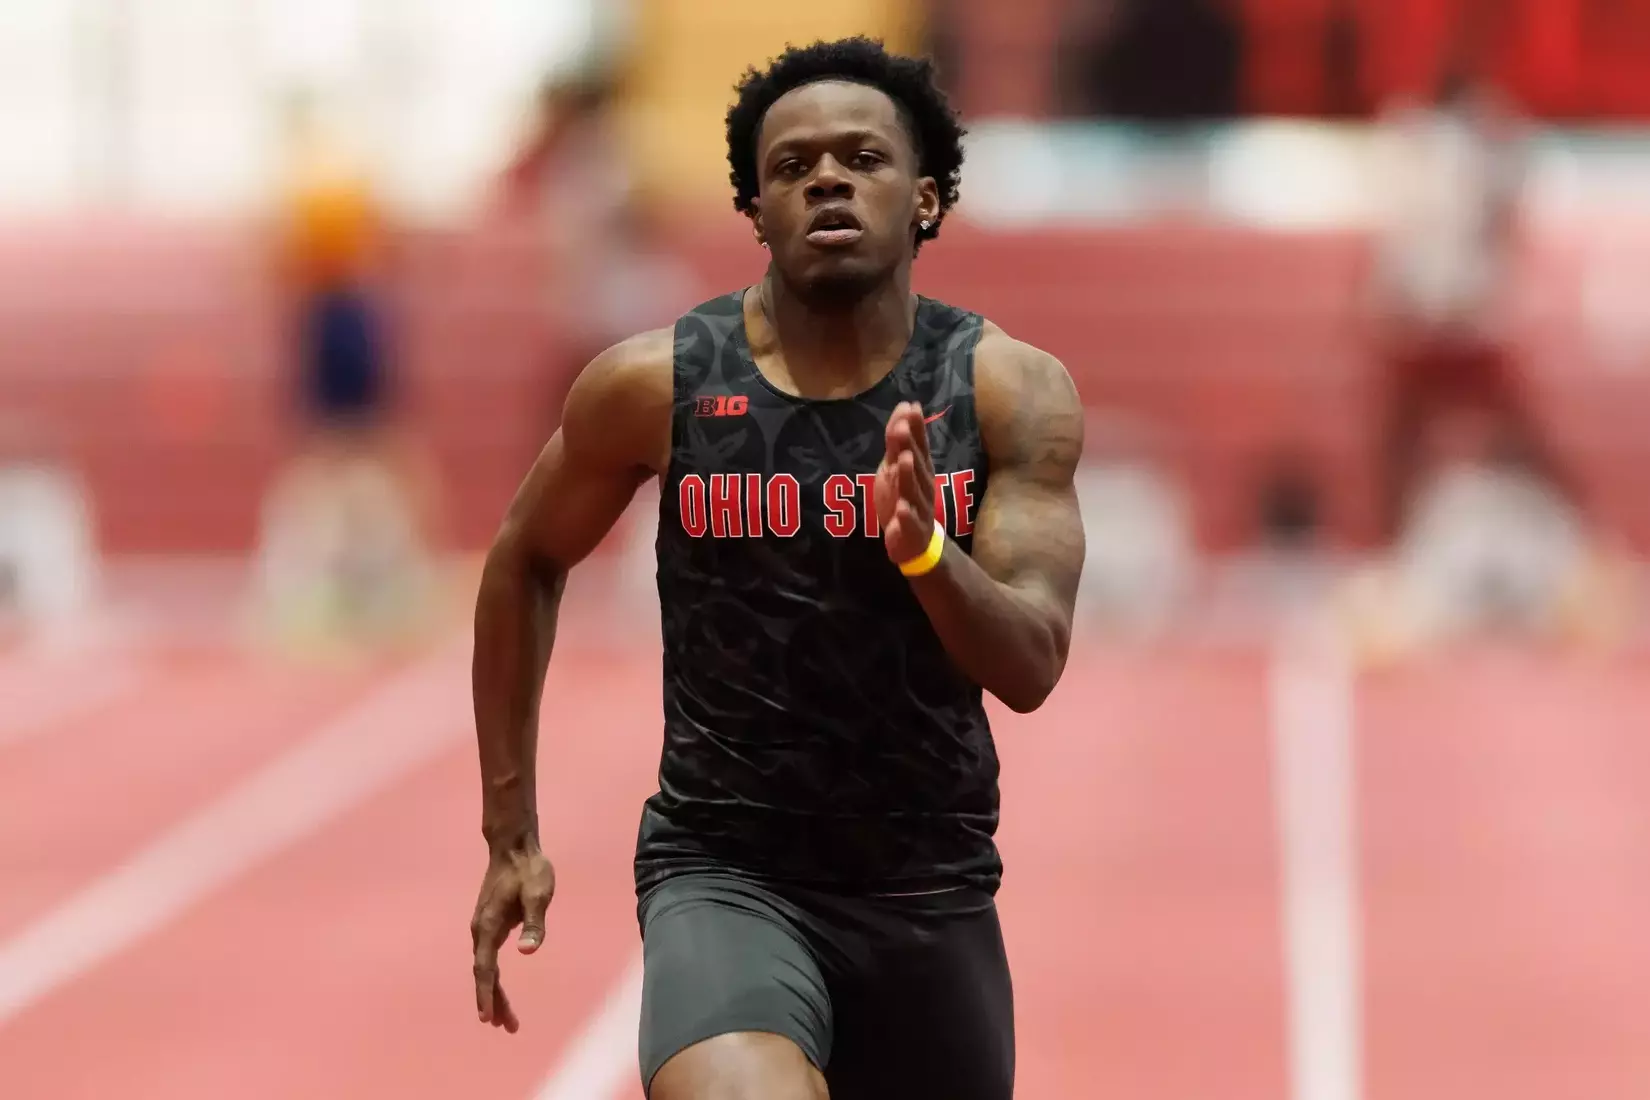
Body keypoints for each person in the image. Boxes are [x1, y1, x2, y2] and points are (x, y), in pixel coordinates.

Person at [467, 38, 1086, 1100]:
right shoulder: (655, 385)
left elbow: (1030, 665)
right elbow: (525, 556)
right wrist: (509, 830)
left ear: (927, 196)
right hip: (725, 872)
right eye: (793, 166)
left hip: (927, 884)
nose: (827, 180)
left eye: (862, 158)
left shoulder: (1006, 393)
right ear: (755, 209)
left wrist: (927, 553)